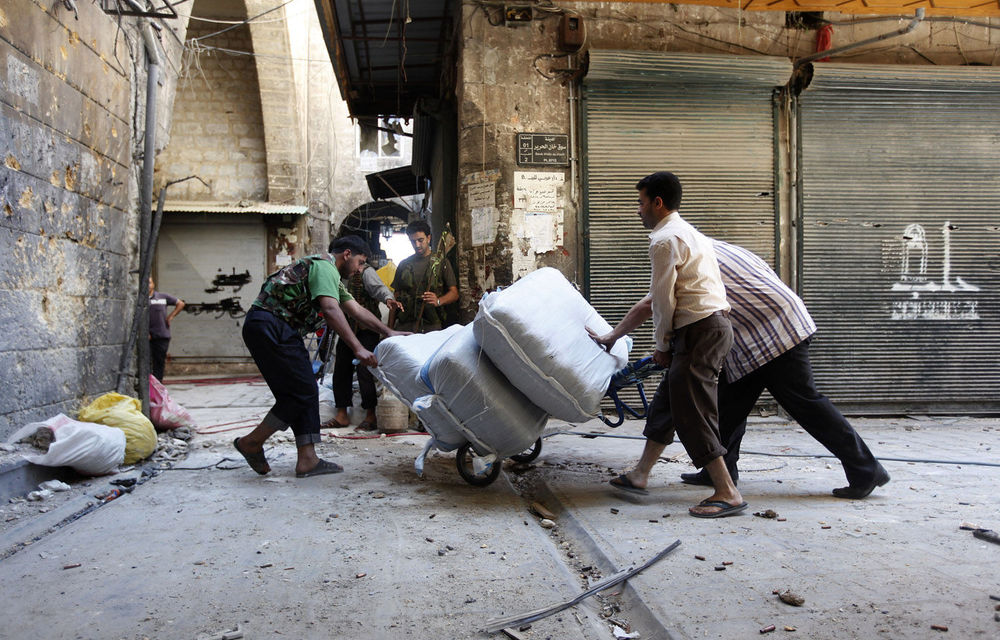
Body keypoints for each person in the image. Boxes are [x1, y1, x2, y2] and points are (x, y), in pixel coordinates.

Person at [593, 241, 890, 500]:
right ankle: (722, 471)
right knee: (727, 403)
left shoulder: (685, 258)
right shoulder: (713, 247)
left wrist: (612, 336)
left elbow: (653, 304)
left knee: (807, 405)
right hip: (756, 335)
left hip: (775, 332)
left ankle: (866, 470)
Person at [589, 171, 746, 518]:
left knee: (692, 410)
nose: (638, 211)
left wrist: (662, 345)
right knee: (668, 403)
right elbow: (651, 302)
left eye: (641, 203)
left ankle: (726, 491)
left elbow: (662, 302)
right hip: (710, 327)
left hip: (699, 331)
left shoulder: (664, 240)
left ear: (657, 203)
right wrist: (612, 335)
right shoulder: (689, 233)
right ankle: (640, 474)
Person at [233, 236, 408, 478]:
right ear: (347, 254)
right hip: (270, 324)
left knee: (300, 392)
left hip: (278, 329)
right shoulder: (324, 266)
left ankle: (307, 459)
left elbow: (356, 310)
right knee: (301, 391)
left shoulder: (332, 279)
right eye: (359, 263)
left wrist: (388, 331)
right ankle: (252, 442)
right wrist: (357, 347)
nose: (359, 270)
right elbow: (330, 309)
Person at [328, 254, 402, 431]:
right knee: (341, 370)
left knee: (365, 371)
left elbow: (379, 289)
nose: (357, 267)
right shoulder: (338, 273)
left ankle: (370, 415)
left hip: (367, 330)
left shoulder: (367, 273)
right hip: (347, 329)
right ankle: (342, 415)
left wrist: (388, 299)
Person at [388, 220, 458, 333]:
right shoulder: (404, 264)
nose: (417, 245)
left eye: (420, 240)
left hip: (431, 326)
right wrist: (389, 330)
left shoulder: (441, 262)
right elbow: (396, 297)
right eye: (413, 241)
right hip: (405, 326)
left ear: (428, 238)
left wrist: (439, 301)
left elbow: (454, 293)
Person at [148, 277, 185, 382]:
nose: (147, 285)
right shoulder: (141, 300)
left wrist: (171, 316)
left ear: (153, 284)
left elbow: (180, 304)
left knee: (159, 361)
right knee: (146, 362)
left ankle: (158, 385)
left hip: (162, 335)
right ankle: (147, 385)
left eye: (149, 283)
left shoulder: (162, 297)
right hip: (148, 336)